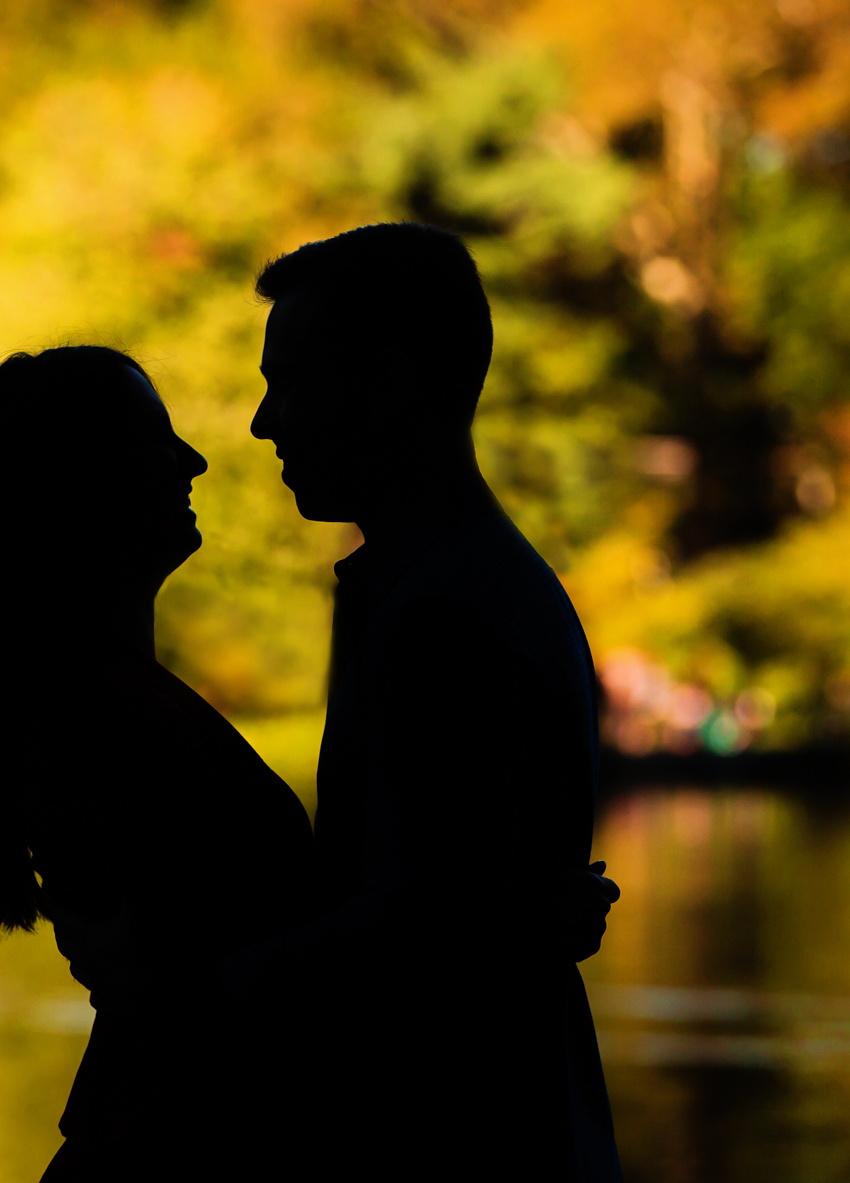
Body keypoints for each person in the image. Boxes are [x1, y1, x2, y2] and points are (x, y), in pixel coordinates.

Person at [232, 221, 625, 1180]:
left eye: (290, 381)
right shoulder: (478, 584)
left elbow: (418, 932)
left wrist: (190, 1000)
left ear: (389, 379)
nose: (264, 422)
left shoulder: (440, 617)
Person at [0, 346, 316, 1181]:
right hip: (174, 1142)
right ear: (82, 485)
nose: (193, 460)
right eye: (158, 439)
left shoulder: (102, 699)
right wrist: (476, 926)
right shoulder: (90, 715)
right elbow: (182, 989)